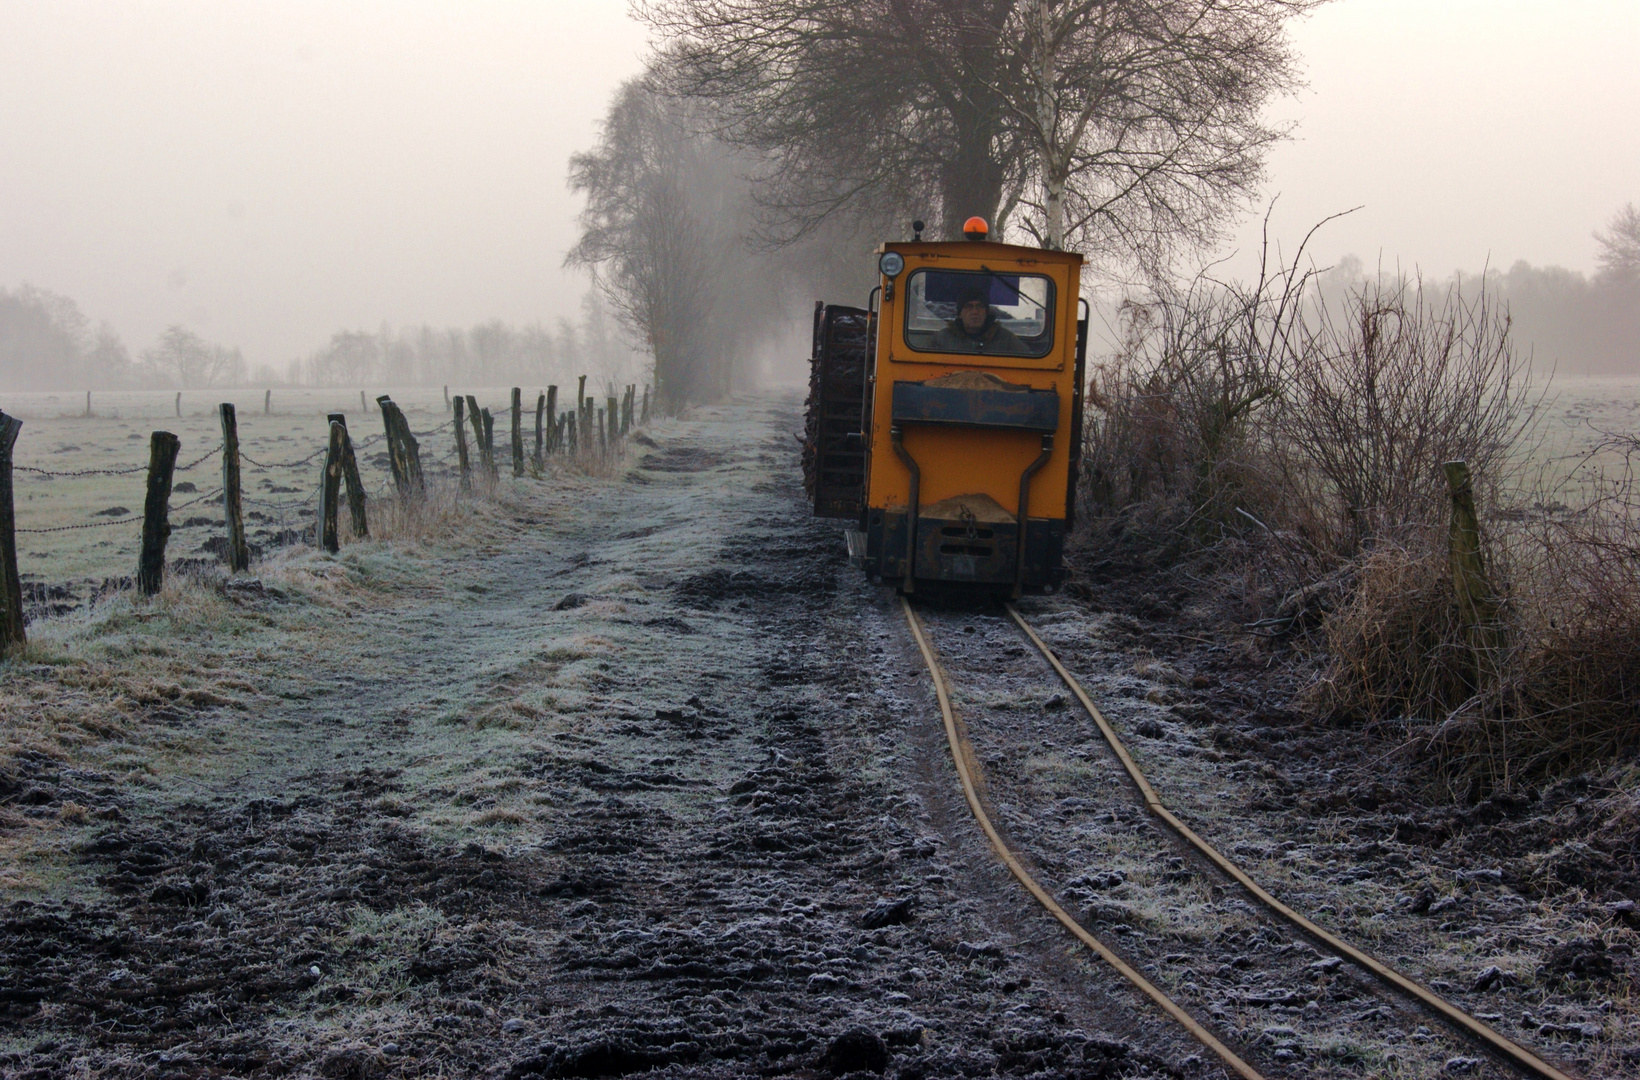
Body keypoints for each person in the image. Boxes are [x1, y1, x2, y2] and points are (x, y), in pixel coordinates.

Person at [929, 287, 1031, 355]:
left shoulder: (1006, 339)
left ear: (986, 312)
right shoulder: (942, 339)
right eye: (968, 306)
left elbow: (1029, 360)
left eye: (980, 306)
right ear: (960, 313)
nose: (975, 312)